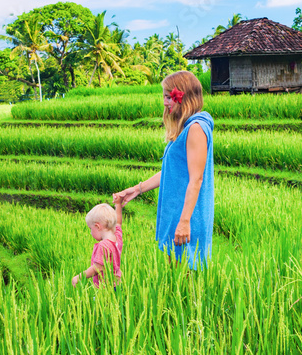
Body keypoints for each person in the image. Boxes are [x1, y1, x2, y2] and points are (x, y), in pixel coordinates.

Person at [114, 70, 214, 270]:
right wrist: (137, 189)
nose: (165, 103)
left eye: (169, 97)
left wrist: (184, 221)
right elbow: (173, 171)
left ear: (182, 97)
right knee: (175, 278)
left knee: (185, 281)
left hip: (187, 217)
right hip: (176, 212)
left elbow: (196, 179)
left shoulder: (196, 128)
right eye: (164, 97)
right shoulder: (185, 127)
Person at [71, 198, 123, 288]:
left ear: (97, 227)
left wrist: (79, 277)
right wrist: (118, 204)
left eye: (91, 229)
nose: (91, 232)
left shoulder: (103, 246)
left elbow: (97, 268)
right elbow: (118, 222)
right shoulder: (117, 238)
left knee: (101, 302)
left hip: (105, 287)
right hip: (117, 284)